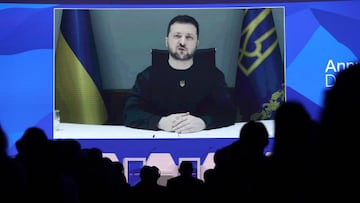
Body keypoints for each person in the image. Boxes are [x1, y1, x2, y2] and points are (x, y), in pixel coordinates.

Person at [123, 14, 236, 134]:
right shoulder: (148, 76)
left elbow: (228, 112)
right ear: (167, 41)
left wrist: (203, 122)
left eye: (189, 37)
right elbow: (130, 113)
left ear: (197, 43)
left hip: (201, 142)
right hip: (159, 144)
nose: (182, 42)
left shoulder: (213, 75)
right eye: (177, 36)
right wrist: (160, 122)